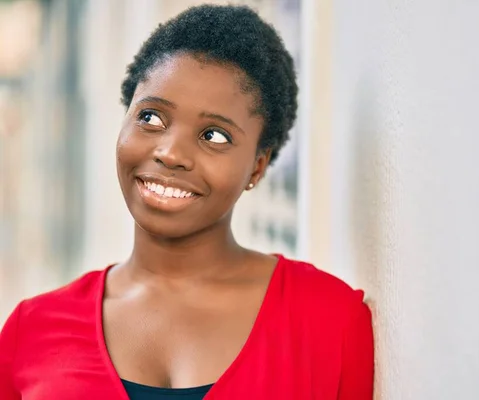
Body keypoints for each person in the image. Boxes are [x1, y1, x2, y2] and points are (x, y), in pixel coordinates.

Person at [0, 5, 374, 399]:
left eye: (214, 135)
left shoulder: (329, 321)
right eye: (152, 117)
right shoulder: (31, 332)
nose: (170, 152)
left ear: (257, 168)